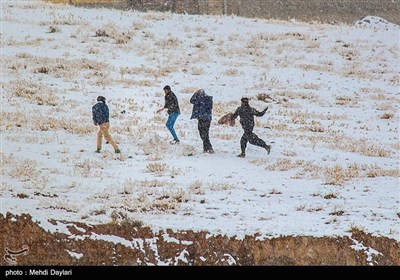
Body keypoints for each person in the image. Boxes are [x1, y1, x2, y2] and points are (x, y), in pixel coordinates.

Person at [190, 89, 214, 154]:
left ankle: (209, 148)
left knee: (205, 134)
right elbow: (191, 101)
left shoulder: (208, 99)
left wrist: (197, 96)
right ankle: (206, 148)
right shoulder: (198, 100)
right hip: (201, 118)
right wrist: (195, 93)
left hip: (206, 119)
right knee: (201, 133)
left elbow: (207, 106)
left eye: (198, 94)